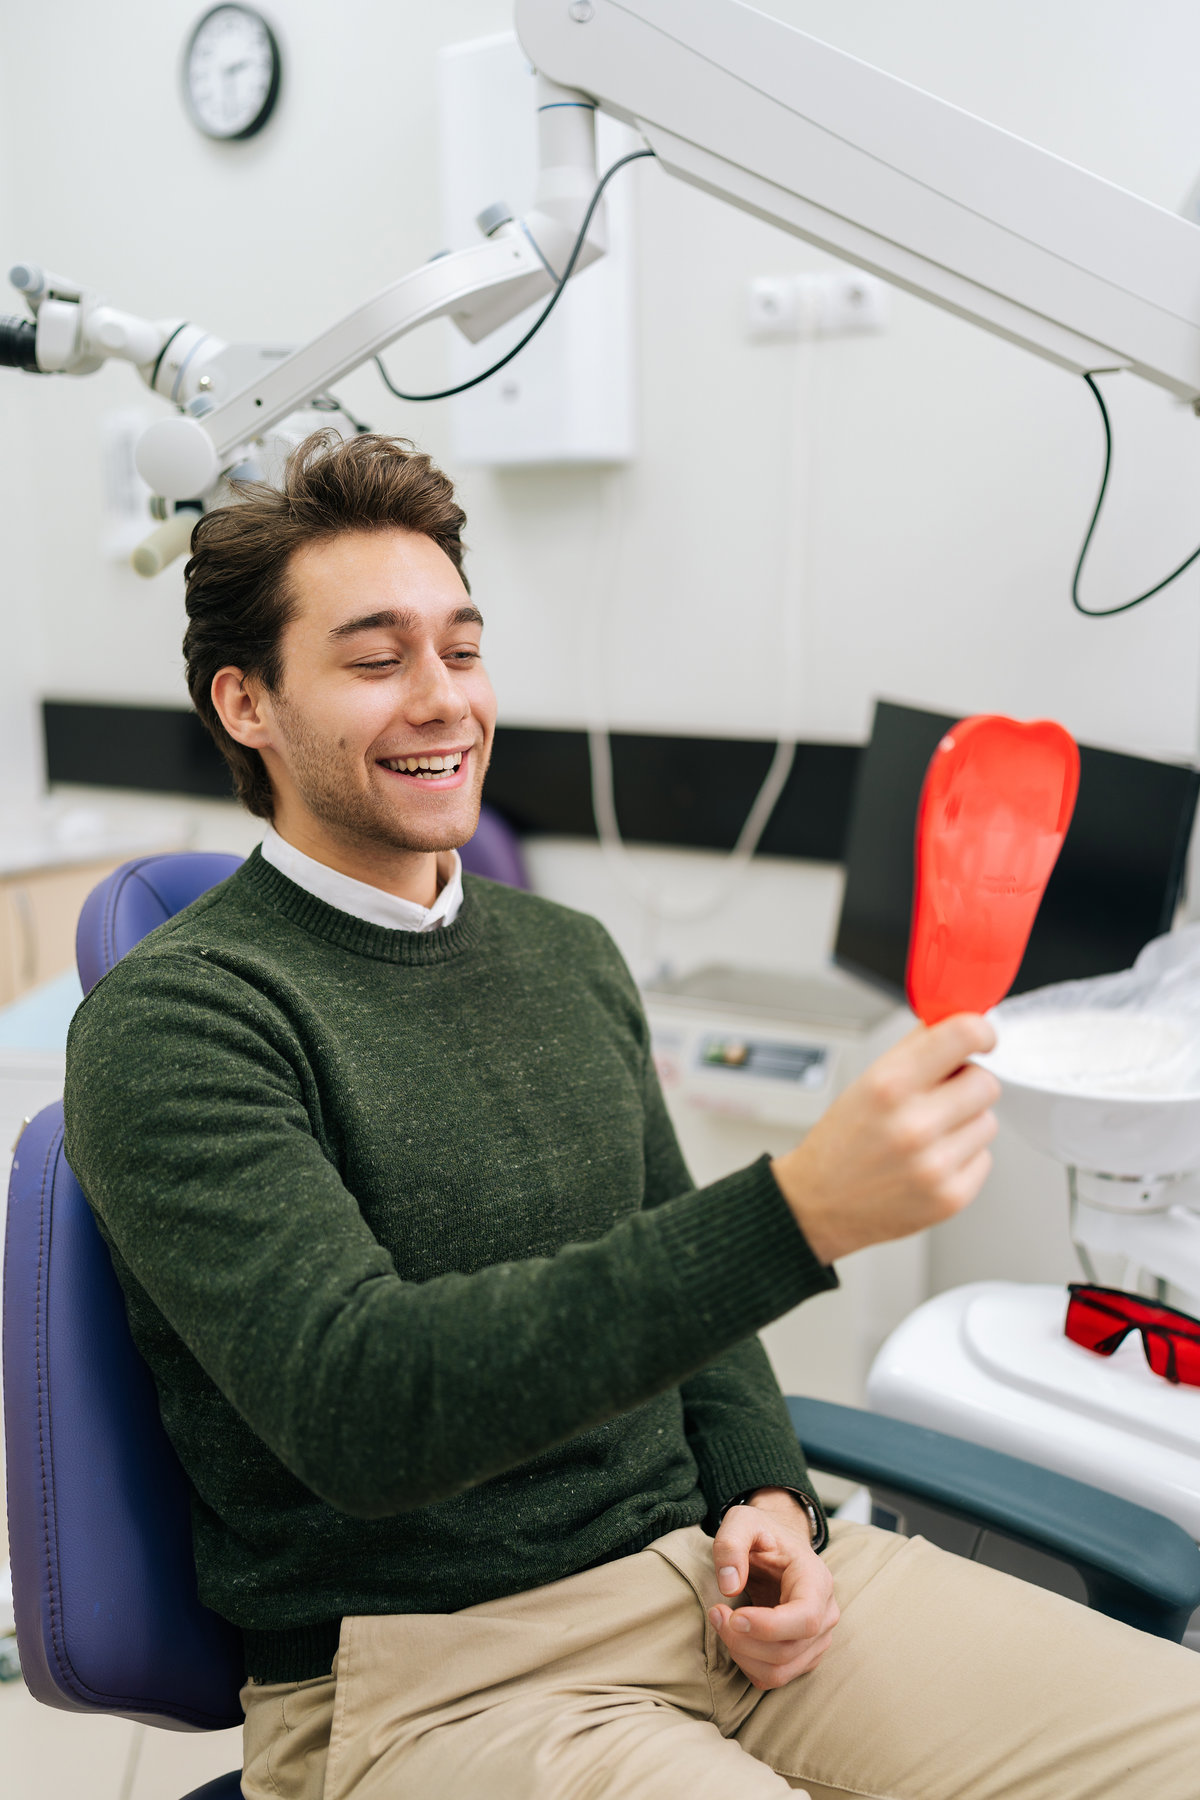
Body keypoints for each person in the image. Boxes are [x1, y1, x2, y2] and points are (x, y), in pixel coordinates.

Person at [64, 432, 1200, 1800]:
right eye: (376, 661)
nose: (444, 700)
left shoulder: (568, 954)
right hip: (437, 1678)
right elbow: (367, 1409)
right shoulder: (179, 1021)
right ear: (246, 704)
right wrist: (798, 1212)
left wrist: (766, 1490)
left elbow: (676, 1295)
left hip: (710, 1603)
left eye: (463, 650)